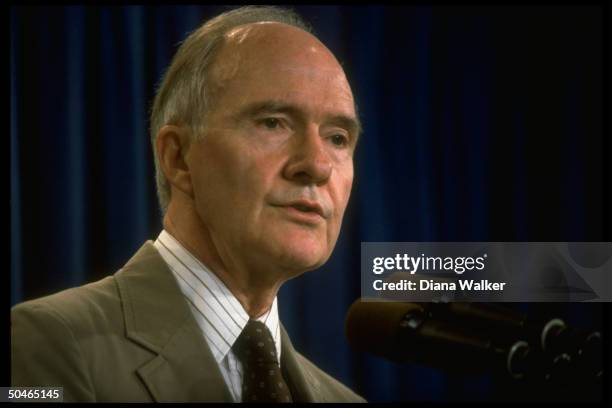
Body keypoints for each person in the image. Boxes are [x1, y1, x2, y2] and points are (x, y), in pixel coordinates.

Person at [11, 6, 364, 403]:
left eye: (337, 138)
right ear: (178, 158)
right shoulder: (47, 343)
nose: (317, 166)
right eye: (273, 122)